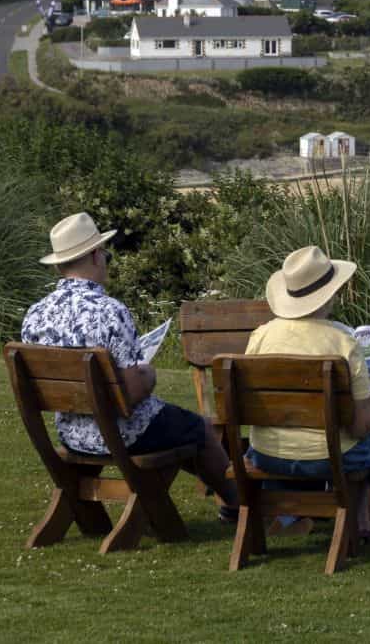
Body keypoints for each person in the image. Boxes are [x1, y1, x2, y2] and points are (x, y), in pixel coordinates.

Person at [21, 213, 238, 520]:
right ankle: (237, 505)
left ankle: (231, 501)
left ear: (59, 266)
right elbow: (131, 395)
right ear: (96, 255)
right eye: (105, 254)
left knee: (180, 428)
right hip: (122, 435)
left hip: (71, 434)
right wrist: (148, 374)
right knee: (198, 428)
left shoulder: (35, 314)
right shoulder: (110, 312)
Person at [245, 246, 370, 543]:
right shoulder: (343, 343)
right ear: (330, 295)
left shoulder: (260, 336)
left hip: (266, 455)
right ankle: (362, 518)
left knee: (328, 439)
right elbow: (359, 426)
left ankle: (290, 514)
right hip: (328, 458)